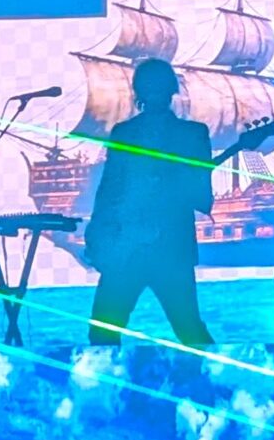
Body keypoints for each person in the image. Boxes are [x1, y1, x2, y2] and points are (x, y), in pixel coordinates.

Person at [84, 58, 229, 347]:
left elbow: (200, 197)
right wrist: (98, 236)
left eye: (156, 85)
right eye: (149, 86)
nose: (153, 91)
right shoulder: (127, 133)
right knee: (104, 332)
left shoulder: (191, 133)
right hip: (130, 248)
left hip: (163, 249)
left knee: (189, 330)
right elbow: (110, 190)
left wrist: (187, 178)